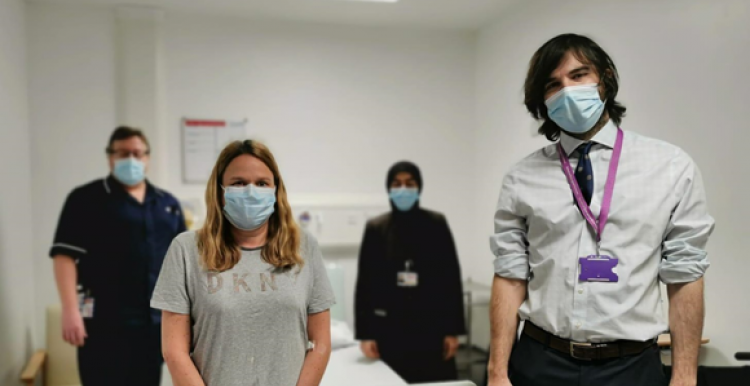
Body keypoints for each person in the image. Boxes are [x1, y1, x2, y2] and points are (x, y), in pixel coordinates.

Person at [487, 33, 714, 386]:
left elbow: (685, 273)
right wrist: (496, 371)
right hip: (539, 362)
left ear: (605, 78)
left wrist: (685, 375)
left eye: (578, 75)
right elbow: (509, 273)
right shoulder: (522, 177)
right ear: (542, 101)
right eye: (552, 84)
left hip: (631, 368)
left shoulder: (670, 166)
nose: (567, 91)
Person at [151, 140, 336, 386]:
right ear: (220, 191)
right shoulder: (186, 250)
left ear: (276, 190)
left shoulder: (304, 248)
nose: (251, 191)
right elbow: (174, 352)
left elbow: (321, 343)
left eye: (262, 183)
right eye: (238, 183)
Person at [50, 126, 187, 385]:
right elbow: (64, 256)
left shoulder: (167, 204)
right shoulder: (85, 199)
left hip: (152, 325)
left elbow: (183, 263)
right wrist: (70, 311)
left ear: (148, 157)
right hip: (103, 324)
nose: (131, 160)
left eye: (137, 153)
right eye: (123, 153)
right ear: (110, 157)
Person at [355, 161, 466, 383]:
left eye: (409, 183)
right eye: (396, 184)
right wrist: (365, 334)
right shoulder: (376, 228)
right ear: (388, 188)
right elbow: (365, 283)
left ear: (419, 187)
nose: (403, 189)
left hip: (431, 327)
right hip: (389, 328)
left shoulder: (436, 224)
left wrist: (453, 331)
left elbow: (451, 278)